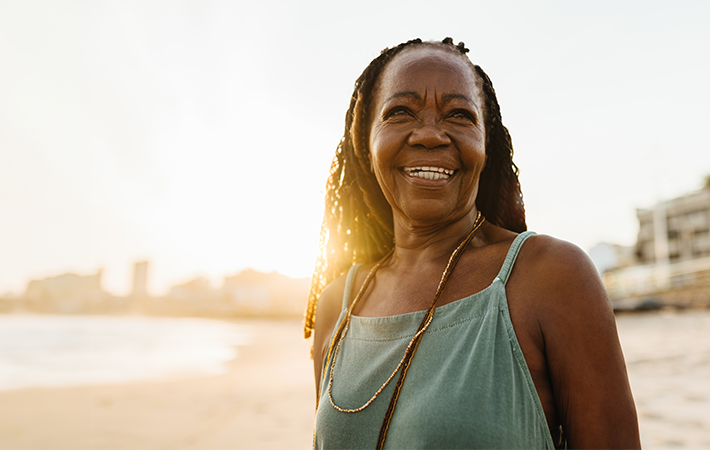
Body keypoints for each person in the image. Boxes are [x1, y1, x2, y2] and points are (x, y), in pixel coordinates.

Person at [304, 38, 641, 449]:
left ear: (486, 141)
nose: (429, 134)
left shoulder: (551, 277)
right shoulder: (337, 306)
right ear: (365, 141)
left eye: (459, 115)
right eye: (400, 112)